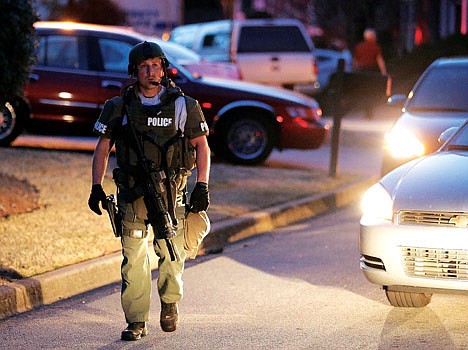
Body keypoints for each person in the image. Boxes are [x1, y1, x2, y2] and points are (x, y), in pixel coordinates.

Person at [87, 41, 211, 341]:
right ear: (134, 71)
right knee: (134, 259)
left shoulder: (184, 106)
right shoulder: (119, 107)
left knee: (171, 252)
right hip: (133, 195)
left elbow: (202, 147)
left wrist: (203, 185)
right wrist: (95, 187)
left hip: (172, 194)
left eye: (155, 64)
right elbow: (103, 148)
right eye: (144, 66)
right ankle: (136, 321)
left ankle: (170, 303)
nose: (150, 70)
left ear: (163, 67)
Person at [352, 28, 388, 119]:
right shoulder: (375, 47)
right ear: (371, 37)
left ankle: (365, 110)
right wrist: (384, 72)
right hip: (371, 72)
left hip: (361, 72)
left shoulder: (359, 46)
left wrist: (354, 71)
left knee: (363, 91)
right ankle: (368, 111)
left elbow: (355, 61)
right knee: (370, 91)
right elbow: (379, 60)